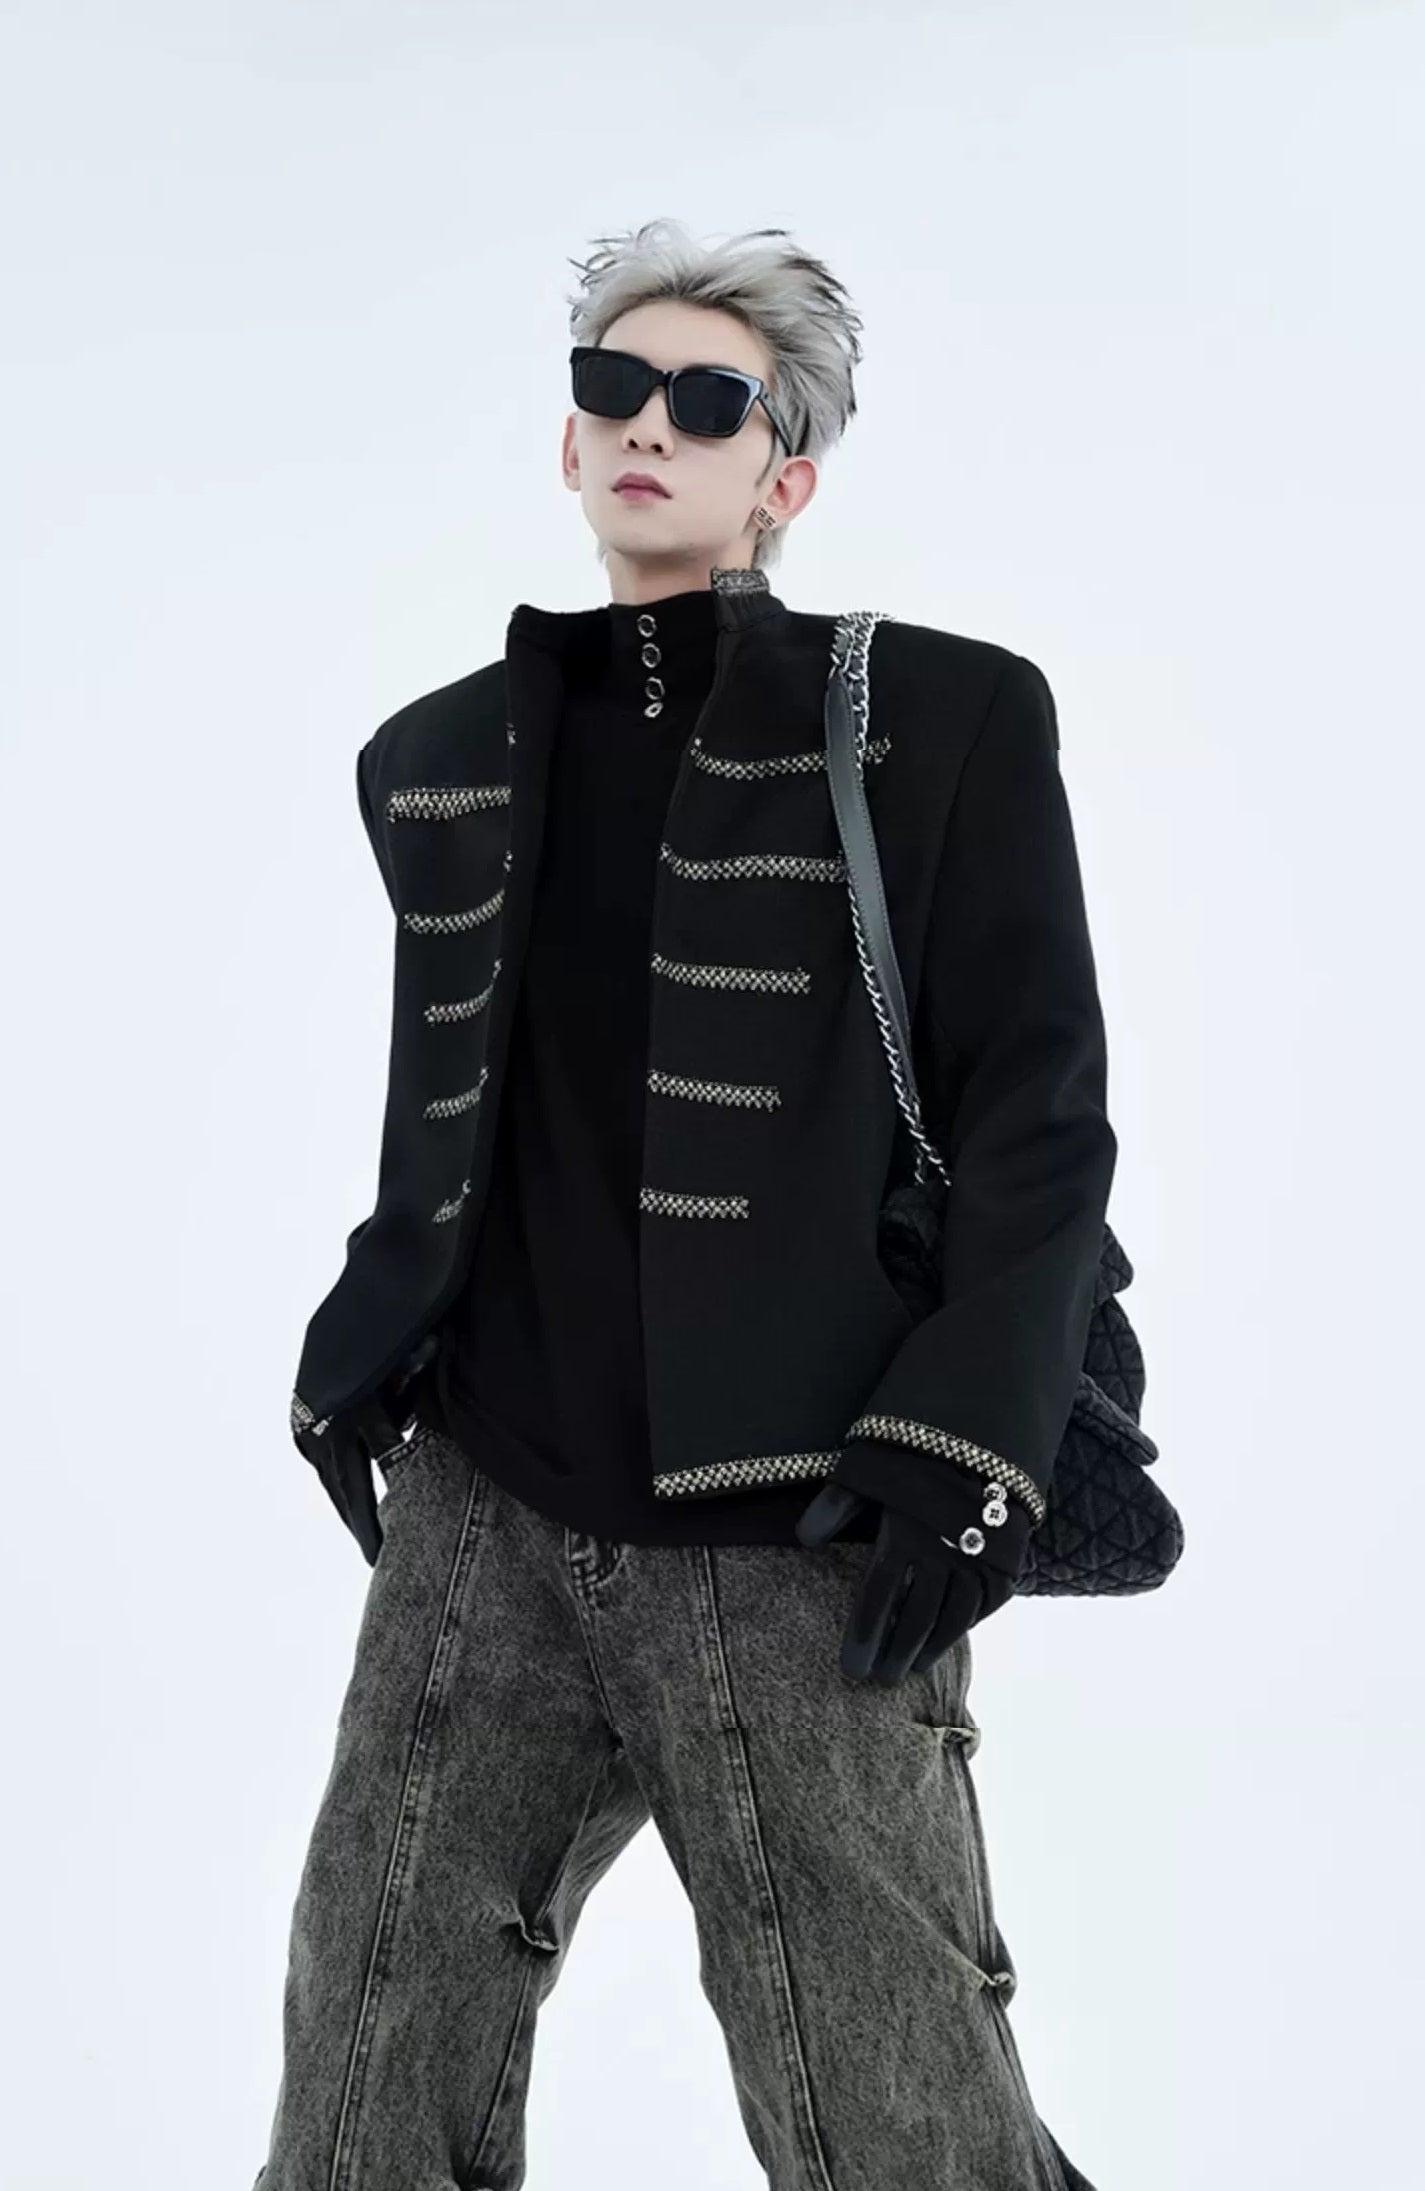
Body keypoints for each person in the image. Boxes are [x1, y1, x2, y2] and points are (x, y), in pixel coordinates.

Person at [255, 217, 1114, 2190]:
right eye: (613, 388)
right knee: (366, 2049)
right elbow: (461, 1108)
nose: (648, 424)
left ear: (780, 478)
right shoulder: (435, 759)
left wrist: (964, 1447)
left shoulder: (942, 720)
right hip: (485, 1504)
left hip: (802, 1513)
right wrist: (358, 1339)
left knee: (887, 2097)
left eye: (707, 401)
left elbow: (1036, 1117)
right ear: (568, 443)